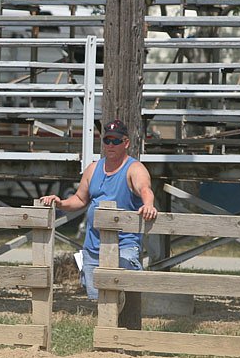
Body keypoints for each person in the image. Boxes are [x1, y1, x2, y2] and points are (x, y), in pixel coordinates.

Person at [40, 119, 157, 300]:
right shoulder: (93, 168)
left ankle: (120, 324)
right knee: (97, 297)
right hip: (93, 246)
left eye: (116, 141)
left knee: (122, 292)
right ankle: (109, 326)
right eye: (107, 140)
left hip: (124, 245)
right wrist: (60, 203)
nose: (110, 145)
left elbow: (145, 189)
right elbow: (79, 199)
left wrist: (148, 204)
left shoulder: (134, 168)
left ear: (126, 143)